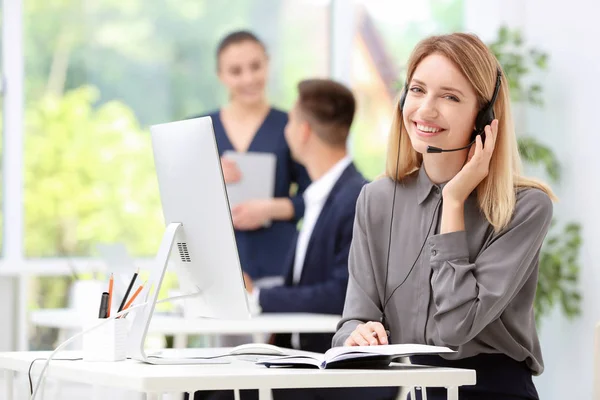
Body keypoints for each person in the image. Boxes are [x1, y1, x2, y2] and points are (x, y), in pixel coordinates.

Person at [332, 33, 555, 400]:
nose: (425, 110)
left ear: (484, 118)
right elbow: (352, 318)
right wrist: (356, 334)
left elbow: (455, 327)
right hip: (410, 388)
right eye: (417, 90)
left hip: (490, 391)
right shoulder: (376, 199)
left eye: (450, 97)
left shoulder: (525, 207)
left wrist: (453, 203)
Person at [195, 79, 398, 400]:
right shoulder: (321, 197)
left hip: (327, 369)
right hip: (299, 360)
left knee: (212, 394)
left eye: (290, 120)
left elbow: (340, 294)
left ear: (303, 131)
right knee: (200, 387)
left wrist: (259, 295)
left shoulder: (355, 198)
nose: (285, 129)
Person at [200, 30, 311, 283]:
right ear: (221, 76)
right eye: (236, 71)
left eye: (255, 67)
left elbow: (317, 198)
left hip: (278, 264)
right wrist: (205, 176)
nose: (248, 78)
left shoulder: (292, 127)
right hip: (215, 265)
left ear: (268, 65)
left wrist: (270, 208)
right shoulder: (198, 131)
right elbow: (178, 205)